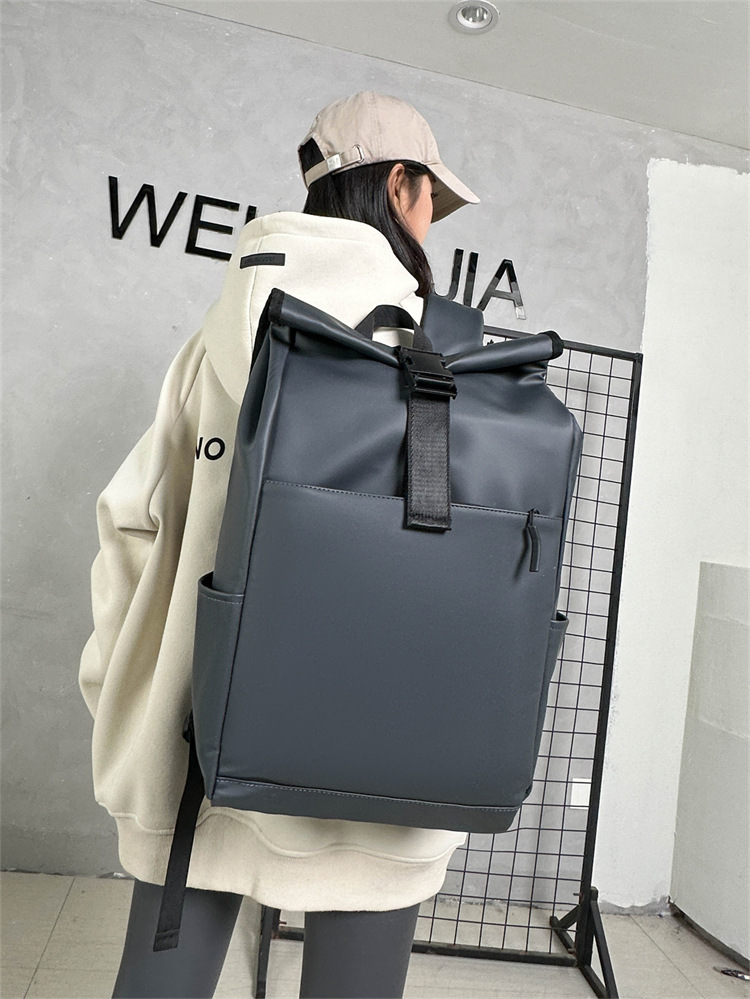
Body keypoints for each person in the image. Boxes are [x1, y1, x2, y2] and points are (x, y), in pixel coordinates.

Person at [79, 90, 480, 999]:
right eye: (431, 197)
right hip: (390, 757)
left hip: (200, 743)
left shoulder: (213, 340)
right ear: (401, 185)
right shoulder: (446, 354)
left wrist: (122, 696)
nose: (431, 220)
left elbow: (130, 521)